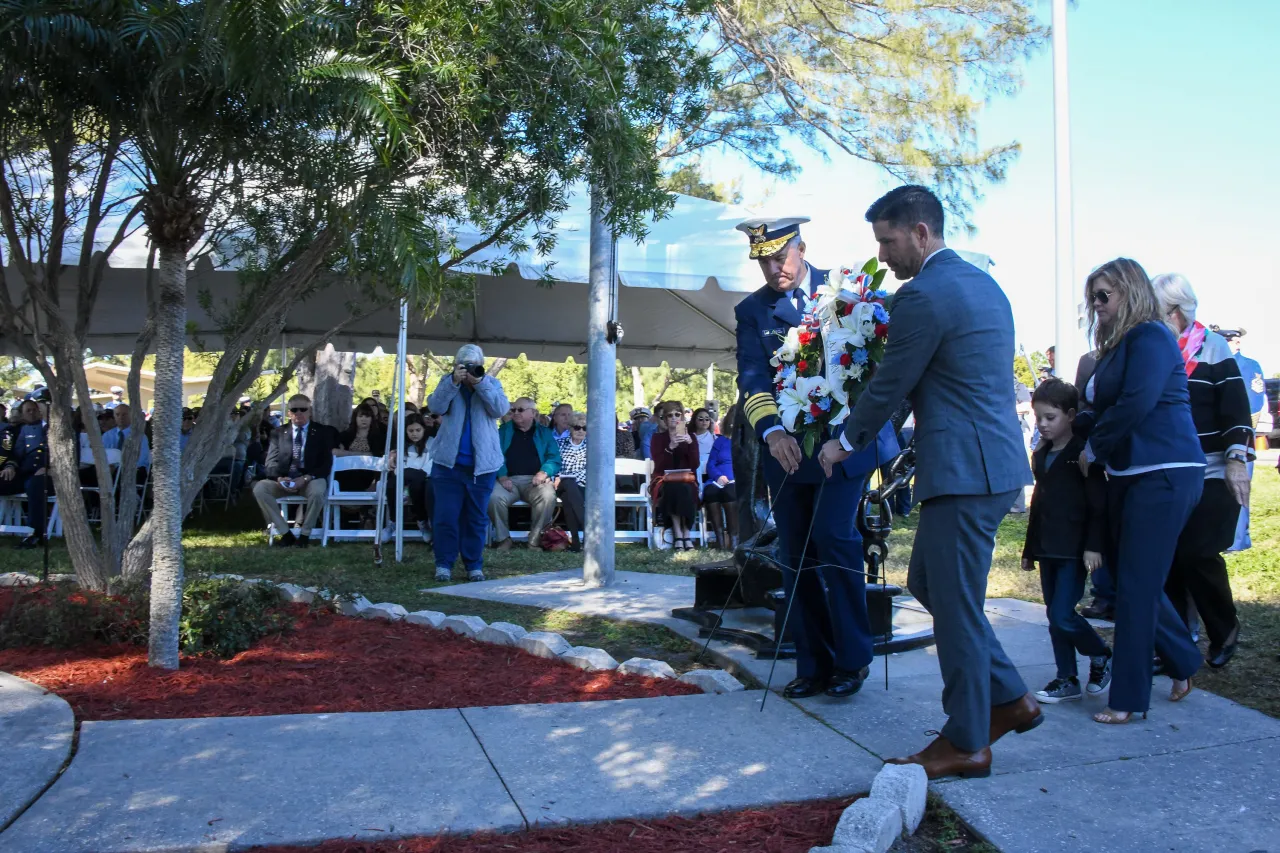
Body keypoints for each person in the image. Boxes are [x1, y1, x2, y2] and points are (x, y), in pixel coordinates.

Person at [820, 186, 1036, 778]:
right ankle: (1011, 698)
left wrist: (842, 442)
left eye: (888, 242)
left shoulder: (923, 295)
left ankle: (967, 739)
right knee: (930, 583)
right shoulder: (984, 285)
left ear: (920, 232)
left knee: (956, 607)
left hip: (964, 470)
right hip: (991, 467)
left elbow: (891, 384)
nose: (883, 256)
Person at [735, 213, 899, 702]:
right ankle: (813, 662)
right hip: (788, 452)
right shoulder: (753, 310)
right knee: (796, 555)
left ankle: (853, 658)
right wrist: (770, 433)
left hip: (845, 444)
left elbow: (878, 362)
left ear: (801, 248)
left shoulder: (846, 290)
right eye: (763, 261)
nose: (772, 270)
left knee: (833, 536)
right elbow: (752, 379)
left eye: (779, 258)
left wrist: (851, 434)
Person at [1067, 259, 1204, 725]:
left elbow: (1137, 403)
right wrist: (1073, 427)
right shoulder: (1122, 345)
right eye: (1093, 298)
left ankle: (1128, 698)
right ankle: (1184, 661)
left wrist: (1096, 448)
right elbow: (1102, 407)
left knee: (1137, 586)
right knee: (1130, 579)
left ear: (1130, 292)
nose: (1097, 306)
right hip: (1132, 473)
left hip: (1163, 472)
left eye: (1104, 295)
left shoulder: (1150, 336)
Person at [1153, 276, 1253, 669]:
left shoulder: (1214, 349)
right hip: (1171, 469)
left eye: (1156, 312)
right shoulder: (1156, 351)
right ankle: (1176, 648)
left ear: (1175, 313)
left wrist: (1235, 461)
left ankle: (1224, 628)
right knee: (1170, 557)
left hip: (1211, 469)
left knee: (1197, 551)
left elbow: (1236, 410)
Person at [1021, 378, 1113, 703]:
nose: (1043, 425)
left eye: (1051, 418)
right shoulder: (1041, 454)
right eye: (1039, 418)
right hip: (1047, 547)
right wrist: (1029, 549)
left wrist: (1093, 545)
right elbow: (1039, 505)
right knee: (1053, 615)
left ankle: (1101, 654)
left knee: (1062, 614)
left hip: (1075, 550)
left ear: (1071, 415)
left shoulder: (1081, 455)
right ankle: (1066, 677)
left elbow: (1096, 503)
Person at [428, 345, 509, 582]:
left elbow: (500, 410)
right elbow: (435, 407)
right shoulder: (447, 382)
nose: (469, 370)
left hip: (482, 467)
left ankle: (474, 565)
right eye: (464, 366)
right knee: (446, 516)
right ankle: (444, 564)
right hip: (447, 465)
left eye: (474, 365)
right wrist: (453, 382)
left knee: (476, 518)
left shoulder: (491, 383)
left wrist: (480, 383)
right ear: (456, 365)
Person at [252, 393, 337, 547]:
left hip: (309, 479)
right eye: (294, 410)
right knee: (260, 488)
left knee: (319, 490)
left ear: (310, 411)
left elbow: (326, 464)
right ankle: (286, 533)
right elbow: (270, 462)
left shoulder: (323, 432)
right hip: (284, 480)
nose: (299, 413)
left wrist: (305, 478)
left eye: (303, 409)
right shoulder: (278, 433)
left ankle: (305, 535)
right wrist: (279, 479)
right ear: (288, 413)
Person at [1216, 326, 1265, 553]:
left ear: (1236, 342)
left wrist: (1237, 435)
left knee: (1238, 490)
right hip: (1217, 440)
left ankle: (1236, 541)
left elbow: (1253, 407)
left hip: (1239, 439)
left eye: (1227, 340)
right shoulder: (1214, 363)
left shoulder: (1249, 366)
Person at [489, 397, 561, 550]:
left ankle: (534, 540)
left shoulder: (545, 433)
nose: (515, 413)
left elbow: (554, 458)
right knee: (493, 496)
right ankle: (503, 539)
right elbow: (495, 455)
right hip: (508, 480)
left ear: (533, 413)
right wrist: (502, 475)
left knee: (548, 495)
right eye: (513, 410)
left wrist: (543, 472)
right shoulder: (503, 431)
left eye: (520, 410)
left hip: (535, 481)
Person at [649, 401, 700, 551]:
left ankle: (685, 533)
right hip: (664, 480)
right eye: (669, 415)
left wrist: (690, 445)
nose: (674, 418)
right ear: (664, 419)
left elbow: (695, 464)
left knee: (685, 488)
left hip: (687, 479)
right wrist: (670, 447)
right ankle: (680, 533)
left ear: (682, 417)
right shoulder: (658, 438)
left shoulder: (690, 437)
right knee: (674, 488)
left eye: (677, 414)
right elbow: (658, 465)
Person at [0, 400, 51, 548]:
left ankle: (34, 535)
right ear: (22, 415)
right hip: (25, 473)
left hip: (48, 476)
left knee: (35, 485)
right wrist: (10, 466)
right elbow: (15, 454)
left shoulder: (55, 429)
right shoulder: (22, 430)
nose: (33, 413)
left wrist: (50, 468)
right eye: (28, 410)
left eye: (35, 409)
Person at [389, 412, 434, 542]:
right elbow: (399, 466)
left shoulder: (431, 443)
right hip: (405, 476)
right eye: (411, 430)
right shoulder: (402, 445)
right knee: (391, 484)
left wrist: (418, 473)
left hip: (423, 477)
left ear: (424, 429)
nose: (414, 434)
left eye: (418, 430)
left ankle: (422, 521)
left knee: (417, 484)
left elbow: (432, 463)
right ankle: (393, 521)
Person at [700, 406, 737, 550]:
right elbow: (711, 464)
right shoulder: (720, 441)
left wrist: (732, 477)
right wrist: (718, 476)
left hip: (736, 479)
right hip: (717, 479)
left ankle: (734, 540)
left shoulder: (745, 442)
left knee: (730, 492)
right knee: (710, 492)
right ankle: (720, 541)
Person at [333, 402, 387, 492]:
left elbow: (378, 456)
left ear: (372, 419)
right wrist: (363, 455)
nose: (363, 419)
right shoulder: (346, 435)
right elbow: (334, 452)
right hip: (346, 474)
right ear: (355, 418)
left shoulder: (379, 438)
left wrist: (348, 454)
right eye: (360, 416)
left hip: (369, 476)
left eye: (367, 416)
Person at [554, 412, 588, 551]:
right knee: (568, 483)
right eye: (577, 427)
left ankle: (575, 543)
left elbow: (590, 469)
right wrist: (561, 477)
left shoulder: (591, 446)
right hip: (561, 484)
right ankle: (588, 529)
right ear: (570, 428)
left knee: (568, 499)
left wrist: (568, 476)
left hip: (583, 485)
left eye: (585, 428)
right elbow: (555, 464)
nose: (581, 431)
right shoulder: (559, 443)